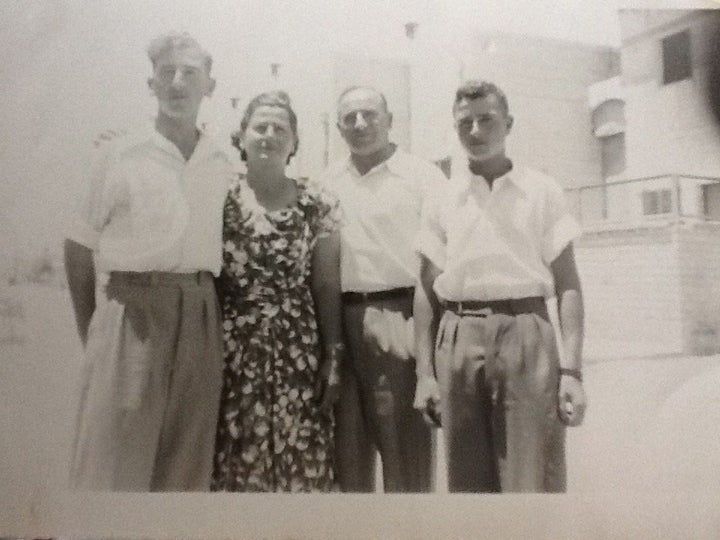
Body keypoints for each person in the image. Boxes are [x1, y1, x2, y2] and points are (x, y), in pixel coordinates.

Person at [64, 32, 233, 491]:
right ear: (151, 84)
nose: (178, 83)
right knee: (115, 463)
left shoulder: (223, 159)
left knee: (186, 466)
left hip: (200, 311)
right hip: (130, 312)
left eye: (190, 73)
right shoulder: (116, 153)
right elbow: (79, 246)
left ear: (209, 87)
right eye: (166, 73)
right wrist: (96, 332)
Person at [413, 80, 587, 493]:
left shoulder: (542, 190)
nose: (475, 132)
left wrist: (572, 371)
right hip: (457, 333)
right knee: (468, 483)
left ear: (508, 123)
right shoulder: (442, 194)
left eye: (486, 120)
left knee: (531, 477)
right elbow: (424, 288)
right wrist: (425, 374)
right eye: (464, 123)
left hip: (526, 330)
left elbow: (567, 283)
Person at [211, 91, 344, 492]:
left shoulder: (316, 202)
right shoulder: (220, 197)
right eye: (260, 127)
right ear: (241, 137)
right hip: (232, 349)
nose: (269, 135)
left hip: (297, 349)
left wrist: (332, 358)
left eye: (279, 129)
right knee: (235, 456)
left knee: (301, 461)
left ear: (294, 142)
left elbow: (325, 283)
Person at [319, 86, 445, 492]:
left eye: (370, 115)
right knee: (348, 457)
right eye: (349, 117)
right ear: (338, 127)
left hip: (401, 314)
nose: (360, 124)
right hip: (342, 319)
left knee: (404, 457)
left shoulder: (422, 175)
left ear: (390, 121)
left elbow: (436, 264)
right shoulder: (327, 183)